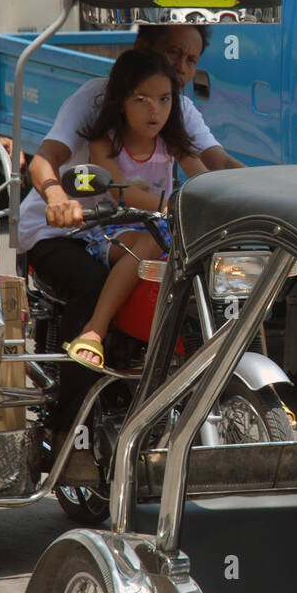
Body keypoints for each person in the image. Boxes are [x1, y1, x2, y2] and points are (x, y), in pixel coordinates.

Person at [20, 23, 241, 450]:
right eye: (172, 52)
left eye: (190, 60)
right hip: (67, 228)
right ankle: (71, 431)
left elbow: (215, 167)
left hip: (146, 229)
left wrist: (272, 193)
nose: (179, 67)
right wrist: (55, 196)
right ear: (142, 50)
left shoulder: (175, 115)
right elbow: (46, 161)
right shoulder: (94, 105)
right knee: (92, 284)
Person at [62, 48, 196, 370]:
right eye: (142, 99)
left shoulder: (172, 141)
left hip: (165, 228)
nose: (155, 110)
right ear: (120, 101)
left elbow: (203, 176)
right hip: (115, 231)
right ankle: (95, 328)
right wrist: (173, 207)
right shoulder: (105, 143)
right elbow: (123, 192)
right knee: (148, 243)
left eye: (164, 99)